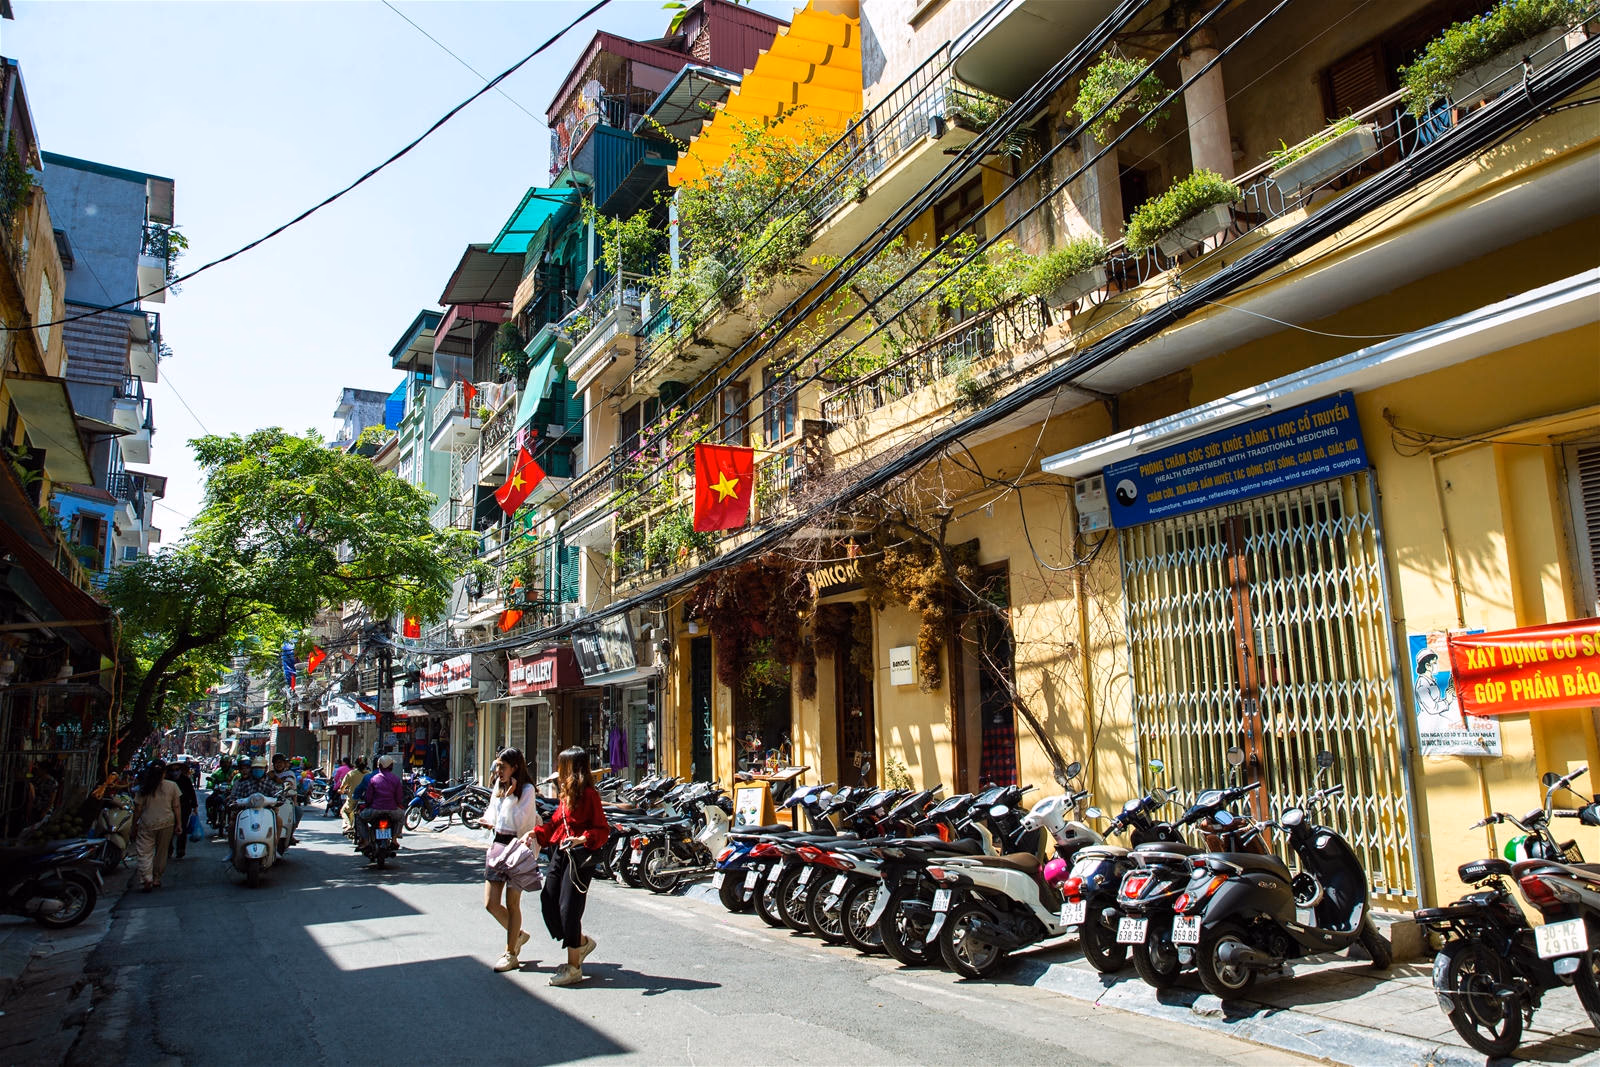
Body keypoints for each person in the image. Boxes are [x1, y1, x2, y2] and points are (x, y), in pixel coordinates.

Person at [534, 746, 609, 987]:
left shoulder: (589, 795)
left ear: (571, 768)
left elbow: (602, 829)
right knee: (549, 898)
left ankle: (574, 966)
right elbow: (556, 823)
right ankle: (580, 942)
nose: (558, 769)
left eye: (561, 765)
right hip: (560, 852)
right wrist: (536, 833)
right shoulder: (565, 795)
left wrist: (582, 838)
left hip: (579, 857)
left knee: (570, 908)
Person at [481, 748, 541, 972]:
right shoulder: (499, 785)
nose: (498, 771)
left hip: (517, 848)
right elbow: (493, 814)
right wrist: (487, 821)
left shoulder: (527, 790)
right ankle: (518, 935)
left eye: (502, 767)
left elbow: (522, 823)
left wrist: (510, 797)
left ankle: (510, 953)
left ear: (514, 767)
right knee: (491, 903)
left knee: (512, 903)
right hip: (497, 846)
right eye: (497, 766)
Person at [132, 760, 182, 891]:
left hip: (147, 823)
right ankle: (156, 879)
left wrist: (134, 824)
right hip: (167, 822)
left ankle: (146, 877)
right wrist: (179, 823)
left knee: (144, 851)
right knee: (161, 852)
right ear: (164, 772)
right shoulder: (172, 786)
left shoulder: (143, 787)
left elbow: (138, 809)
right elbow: (176, 806)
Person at [357, 755, 407, 853]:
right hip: (392, 810)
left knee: (360, 818)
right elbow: (399, 797)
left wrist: (366, 805)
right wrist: (398, 804)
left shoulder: (373, 779)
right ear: (391, 766)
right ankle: (394, 839)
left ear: (379, 766)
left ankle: (366, 841)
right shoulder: (396, 779)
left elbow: (368, 798)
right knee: (401, 816)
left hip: (375, 810)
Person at [167, 761, 199, 860]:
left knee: (182, 829)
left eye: (177, 770)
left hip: (184, 807)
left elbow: (192, 793)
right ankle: (168, 850)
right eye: (172, 770)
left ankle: (180, 849)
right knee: (169, 830)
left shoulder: (185, 780)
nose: (175, 772)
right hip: (169, 807)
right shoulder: (167, 780)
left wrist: (195, 806)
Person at [341, 757, 370, 838]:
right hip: (366, 801)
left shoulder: (351, 774)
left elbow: (342, 787)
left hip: (353, 800)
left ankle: (349, 825)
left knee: (343, 811)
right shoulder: (369, 774)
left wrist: (342, 791)